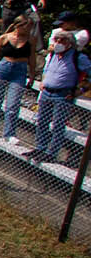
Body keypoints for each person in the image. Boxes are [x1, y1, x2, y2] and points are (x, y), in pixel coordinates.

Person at [26, 26, 90, 162]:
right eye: (57, 40)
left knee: (58, 126)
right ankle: (40, 148)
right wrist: (44, 81)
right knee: (42, 122)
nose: (58, 43)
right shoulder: (54, 54)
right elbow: (48, 69)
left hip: (62, 95)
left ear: (70, 43)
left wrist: (81, 90)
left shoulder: (78, 57)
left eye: (62, 40)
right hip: (46, 93)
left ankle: (51, 153)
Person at [0, 16, 36, 139]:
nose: (29, 29)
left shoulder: (31, 40)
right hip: (4, 67)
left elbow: (32, 58)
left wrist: (32, 75)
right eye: (27, 26)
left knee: (13, 104)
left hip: (20, 70)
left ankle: (9, 134)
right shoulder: (4, 38)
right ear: (19, 25)